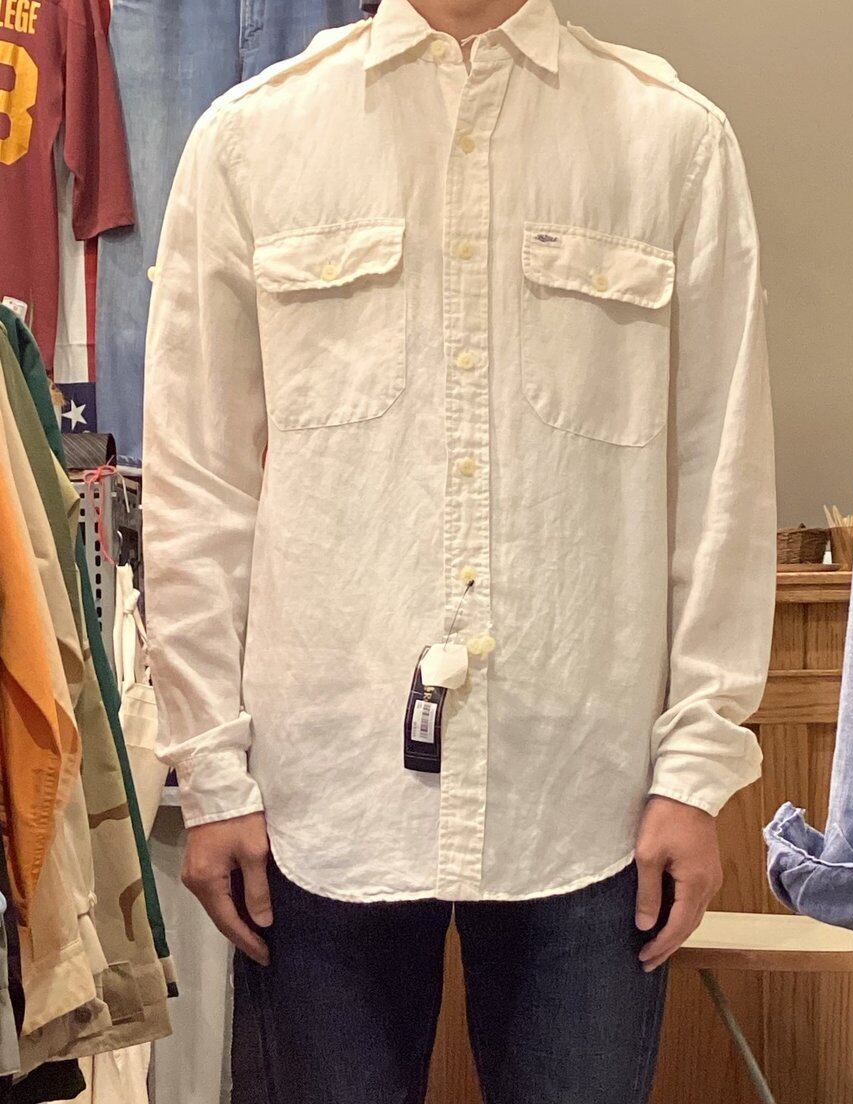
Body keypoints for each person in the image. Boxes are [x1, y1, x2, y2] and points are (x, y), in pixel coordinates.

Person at [142, 0, 777, 1099]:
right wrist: (210, 771)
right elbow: (200, 481)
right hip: (317, 794)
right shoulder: (251, 141)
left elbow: (720, 472)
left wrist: (696, 767)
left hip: (588, 797)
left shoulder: (670, 141)